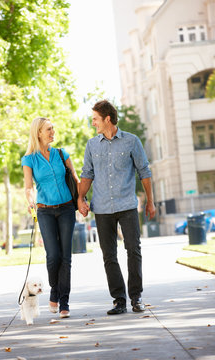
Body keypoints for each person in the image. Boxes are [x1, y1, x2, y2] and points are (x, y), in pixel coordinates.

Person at [78, 100, 156, 315]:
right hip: (102, 208)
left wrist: (150, 201)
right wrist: (80, 198)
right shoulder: (92, 145)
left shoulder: (131, 141)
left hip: (127, 205)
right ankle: (119, 300)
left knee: (133, 249)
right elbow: (87, 173)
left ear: (107, 119)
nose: (93, 123)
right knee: (109, 255)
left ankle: (136, 297)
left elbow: (144, 172)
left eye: (95, 119)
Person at [22, 117, 79, 318]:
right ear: (38, 133)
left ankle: (64, 302)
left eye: (53, 128)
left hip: (66, 209)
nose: (52, 132)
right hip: (44, 210)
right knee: (53, 255)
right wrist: (30, 200)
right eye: (48, 129)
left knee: (66, 257)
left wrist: (82, 200)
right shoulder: (29, 159)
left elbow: (75, 178)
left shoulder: (62, 154)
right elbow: (28, 187)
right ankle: (54, 290)